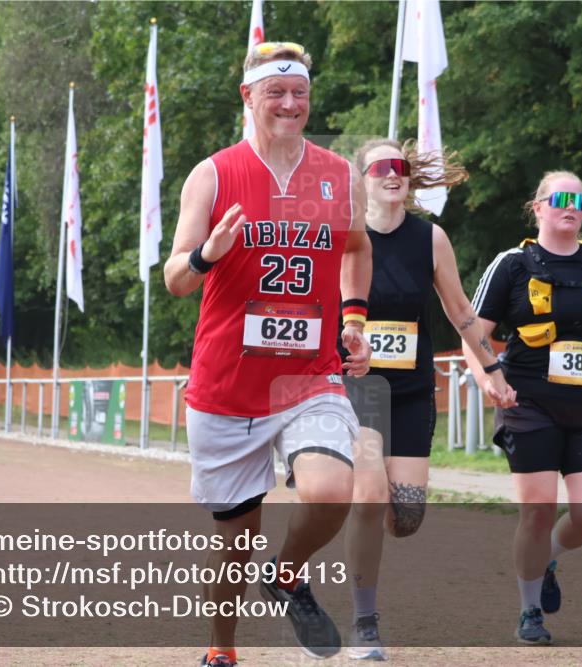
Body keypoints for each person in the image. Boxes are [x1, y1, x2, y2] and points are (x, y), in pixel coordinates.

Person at [163, 42, 373, 667]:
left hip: (309, 376)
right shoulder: (213, 174)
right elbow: (175, 278)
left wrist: (354, 318)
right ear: (248, 97)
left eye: (299, 92)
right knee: (235, 540)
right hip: (227, 386)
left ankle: (286, 575)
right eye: (275, 92)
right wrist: (208, 254)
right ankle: (221, 650)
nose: (289, 103)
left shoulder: (339, 175)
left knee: (331, 491)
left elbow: (358, 247)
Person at [340, 138, 517, 660]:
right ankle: (364, 622)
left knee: (406, 518)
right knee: (370, 497)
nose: (393, 174)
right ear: (361, 179)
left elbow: (461, 312)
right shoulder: (346, 236)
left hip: (413, 391)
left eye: (400, 166)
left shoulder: (430, 238)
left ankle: (357, 521)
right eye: (381, 167)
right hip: (358, 386)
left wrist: (493, 367)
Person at [468, 170, 582, 645]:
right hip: (528, 401)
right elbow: (473, 332)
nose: (571, 207)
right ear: (539, 207)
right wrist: (488, 378)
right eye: (562, 199)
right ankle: (530, 610)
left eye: (580, 201)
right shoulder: (511, 264)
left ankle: (546, 557)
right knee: (538, 508)